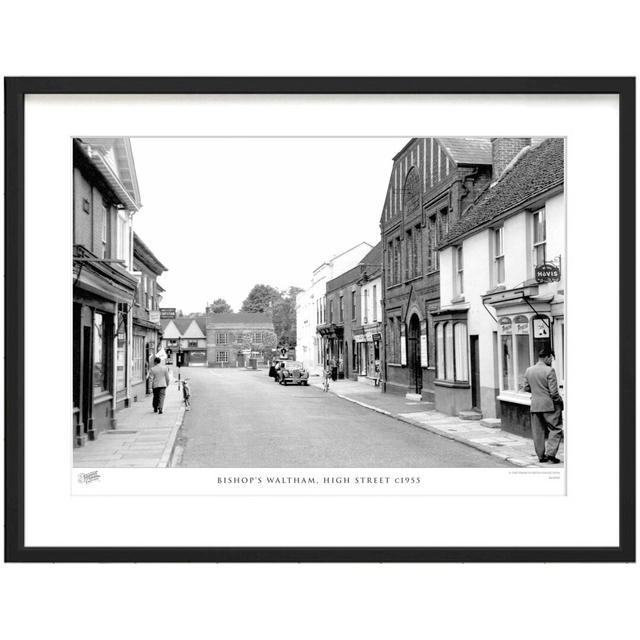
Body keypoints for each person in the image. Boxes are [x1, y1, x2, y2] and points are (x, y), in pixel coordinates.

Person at [523, 349, 564, 463]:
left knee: (538, 431)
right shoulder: (550, 370)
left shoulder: (529, 370)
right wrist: (559, 402)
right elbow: (554, 392)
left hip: (535, 405)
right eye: (551, 358)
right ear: (546, 357)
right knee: (555, 429)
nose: (551, 360)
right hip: (549, 405)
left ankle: (541, 456)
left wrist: (537, 392)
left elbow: (526, 387)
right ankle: (551, 454)